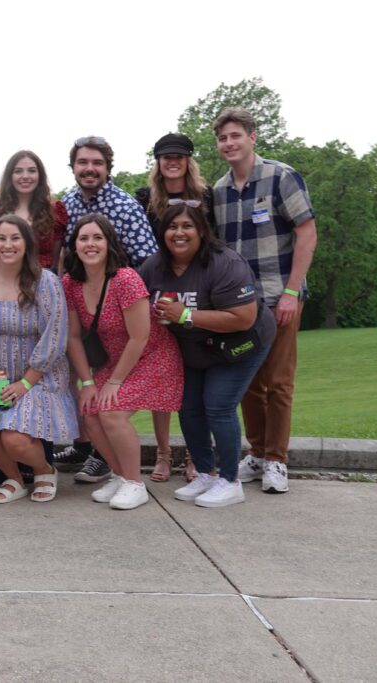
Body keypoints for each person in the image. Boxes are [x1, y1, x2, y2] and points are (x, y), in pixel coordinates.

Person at [139, 203, 275, 508]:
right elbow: (135, 301)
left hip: (240, 343)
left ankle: (230, 481)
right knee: (188, 408)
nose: (179, 233)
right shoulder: (153, 266)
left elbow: (243, 317)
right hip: (195, 347)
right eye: (172, 227)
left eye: (187, 226)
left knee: (218, 406)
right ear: (162, 234)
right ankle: (205, 473)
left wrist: (185, 314)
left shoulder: (224, 263)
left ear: (201, 230)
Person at [212, 107, 318, 495]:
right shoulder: (219, 191)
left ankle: (277, 460)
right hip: (241, 305)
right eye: (223, 138)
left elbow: (306, 234)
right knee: (248, 382)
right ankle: (256, 454)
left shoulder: (281, 177)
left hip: (280, 297)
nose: (229, 144)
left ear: (252, 137)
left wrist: (292, 291)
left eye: (236, 135)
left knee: (278, 382)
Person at [63, 214, 183, 510]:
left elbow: (139, 337)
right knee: (90, 412)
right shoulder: (71, 283)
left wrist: (114, 382)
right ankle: (119, 475)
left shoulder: (125, 279)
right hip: (115, 361)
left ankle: (135, 484)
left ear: (109, 243)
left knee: (112, 413)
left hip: (153, 356)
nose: (90, 244)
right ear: (74, 245)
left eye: (97, 238)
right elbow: (73, 338)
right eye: (83, 238)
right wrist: (88, 382)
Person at [56, 136, 159, 483]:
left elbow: (146, 261)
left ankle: (110, 462)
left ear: (107, 168)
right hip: (82, 307)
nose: (89, 169)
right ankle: (87, 447)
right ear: (73, 167)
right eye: (83, 162)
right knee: (82, 384)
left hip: (121, 313)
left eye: (96, 163)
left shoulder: (125, 206)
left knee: (109, 394)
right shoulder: (66, 204)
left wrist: (125, 301)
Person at [0, 215, 78, 504]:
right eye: (1, 238)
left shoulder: (46, 282)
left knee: (14, 437)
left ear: (27, 244)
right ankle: (14, 480)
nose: (8, 244)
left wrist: (26, 382)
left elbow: (55, 337)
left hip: (40, 375)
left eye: (15, 238)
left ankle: (44, 470)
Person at [134, 132, 214, 482]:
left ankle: (197, 454)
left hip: (198, 286)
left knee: (201, 379)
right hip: (161, 287)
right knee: (162, 377)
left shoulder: (206, 197)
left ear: (187, 160)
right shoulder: (145, 198)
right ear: (158, 162)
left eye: (179, 156)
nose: (172, 161)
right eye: (166, 156)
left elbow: (215, 241)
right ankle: (164, 453)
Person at [0, 149, 68, 270]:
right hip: (3, 283)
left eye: (32, 171)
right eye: (18, 171)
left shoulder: (54, 211)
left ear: (40, 175)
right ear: (10, 176)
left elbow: (56, 262)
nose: (25, 176)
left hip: (42, 283)